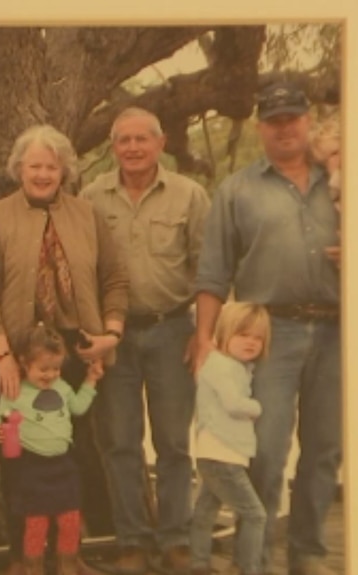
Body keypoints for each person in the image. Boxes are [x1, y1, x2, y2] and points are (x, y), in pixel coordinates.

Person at [193, 81, 341, 575]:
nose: (284, 129)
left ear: (308, 120)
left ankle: (309, 555)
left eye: (293, 118)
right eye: (274, 121)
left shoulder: (343, 177)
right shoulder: (236, 190)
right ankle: (252, 561)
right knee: (266, 449)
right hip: (267, 336)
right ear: (260, 127)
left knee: (325, 450)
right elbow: (213, 273)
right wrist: (204, 343)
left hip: (340, 331)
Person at [0, 124, 129, 575]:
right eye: (34, 165)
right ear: (19, 168)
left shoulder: (88, 215)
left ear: (64, 170)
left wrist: (110, 333)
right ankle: (24, 559)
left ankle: (69, 556)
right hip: (14, 358)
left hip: (74, 357)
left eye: (51, 166)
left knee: (74, 456)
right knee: (17, 462)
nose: (42, 174)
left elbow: (115, 279)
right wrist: (2, 355)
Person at [80, 107, 211, 575]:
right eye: (123, 140)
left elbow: (207, 267)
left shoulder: (189, 195)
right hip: (113, 336)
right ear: (112, 147)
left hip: (173, 328)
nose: (133, 148)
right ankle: (131, 541)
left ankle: (176, 539)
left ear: (160, 143)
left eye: (142, 139)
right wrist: (96, 334)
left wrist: (203, 333)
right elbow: (82, 270)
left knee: (174, 442)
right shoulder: (92, 196)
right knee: (120, 443)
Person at [0, 324, 104, 575]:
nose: (50, 375)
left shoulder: (62, 387)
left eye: (56, 368)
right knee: (36, 522)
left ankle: (67, 565)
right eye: (43, 369)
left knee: (70, 519)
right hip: (31, 467)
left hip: (63, 465)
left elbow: (78, 408)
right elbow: (0, 421)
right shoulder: (15, 391)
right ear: (24, 363)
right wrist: (0, 431)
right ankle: (33, 567)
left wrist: (91, 380)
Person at [189, 302, 270, 575]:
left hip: (218, 454)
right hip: (221, 454)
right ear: (224, 334)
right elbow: (234, 404)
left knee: (205, 510)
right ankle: (249, 568)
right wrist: (257, 408)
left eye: (258, 338)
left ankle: (199, 564)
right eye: (243, 334)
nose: (251, 342)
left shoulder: (234, 366)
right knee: (255, 514)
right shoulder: (221, 366)